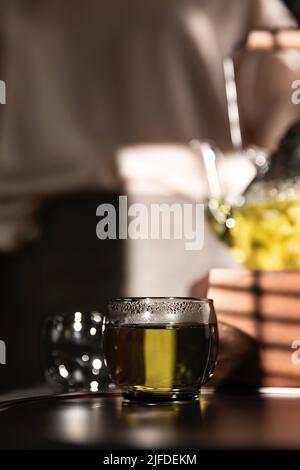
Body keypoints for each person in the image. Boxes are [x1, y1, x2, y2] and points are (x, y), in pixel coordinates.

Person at [0, 0, 297, 391]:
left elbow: (288, 87)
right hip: (55, 239)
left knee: (199, 412)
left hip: (199, 228)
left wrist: (251, 166)